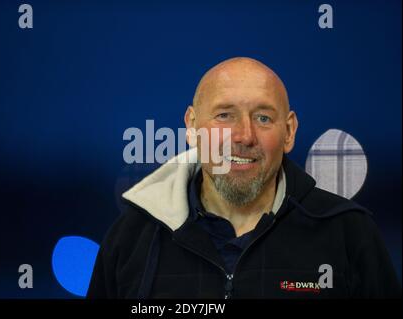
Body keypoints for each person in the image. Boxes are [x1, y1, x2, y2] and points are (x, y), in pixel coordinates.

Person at [87, 57, 400, 298]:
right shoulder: (132, 237)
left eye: (263, 118)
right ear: (192, 127)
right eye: (225, 115)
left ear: (289, 131)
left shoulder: (348, 233)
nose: (244, 136)